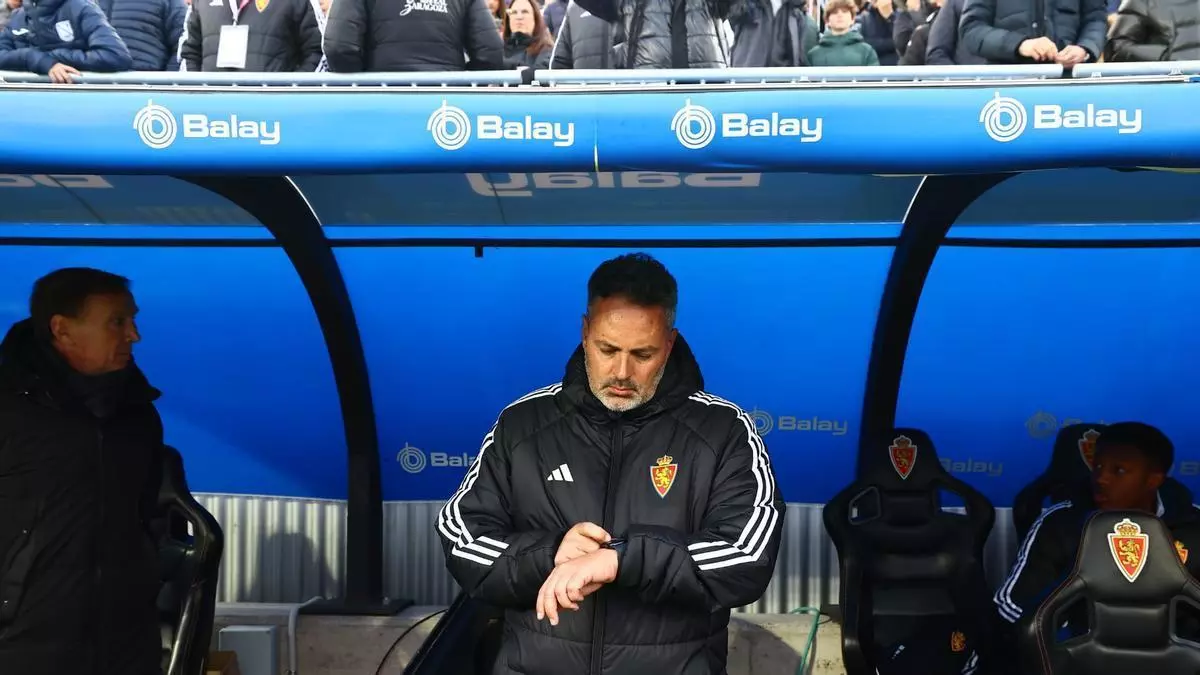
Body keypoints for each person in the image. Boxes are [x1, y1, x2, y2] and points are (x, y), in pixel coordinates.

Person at [437, 252, 784, 675]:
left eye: (643, 354)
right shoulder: (523, 424)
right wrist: (551, 553)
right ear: (585, 332)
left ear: (669, 344)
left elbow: (747, 557)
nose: (622, 371)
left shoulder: (724, 430)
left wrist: (622, 559)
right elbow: (463, 539)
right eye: (607, 349)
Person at [0, 268, 166, 675]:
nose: (134, 335)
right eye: (117, 322)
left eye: (132, 320)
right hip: (22, 642)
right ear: (62, 329)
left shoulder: (137, 413)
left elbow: (151, 513)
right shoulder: (9, 407)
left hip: (128, 641)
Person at [993, 422, 1200, 652]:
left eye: (1118, 471)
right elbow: (1012, 606)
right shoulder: (1061, 522)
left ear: (1153, 480)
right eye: (1098, 466)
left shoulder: (1193, 526)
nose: (1101, 478)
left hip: (1175, 658)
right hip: (1078, 656)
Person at [0, 0, 132, 82]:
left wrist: (53, 58)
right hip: (31, 105)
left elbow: (114, 55)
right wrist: (34, 59)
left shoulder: (80, 7)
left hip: (82, 104)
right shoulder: (19, 16)